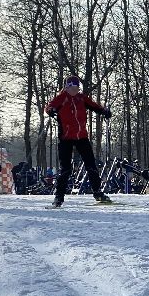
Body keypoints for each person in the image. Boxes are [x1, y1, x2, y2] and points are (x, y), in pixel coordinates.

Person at [44, 75, 113, 207]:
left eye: (76, 88)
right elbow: (50, 106)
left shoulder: (81, 98)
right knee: (66, 169)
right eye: (71, 88)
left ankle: (98, 192)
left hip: (81, 136)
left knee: (91, 165)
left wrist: (105, 111)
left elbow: (95, 106)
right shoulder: (62, 97)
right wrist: (51, 111)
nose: (74, 91)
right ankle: (59, 197)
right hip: (66, 138)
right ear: (66, 87)